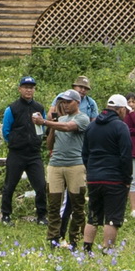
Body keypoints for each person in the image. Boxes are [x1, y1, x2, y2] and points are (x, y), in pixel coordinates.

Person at [78, 86, 135, 249]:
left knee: (93, 216)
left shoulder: (92, 126)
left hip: (94, 178)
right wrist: (127, 179)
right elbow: (126, 155)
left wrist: (91, 171)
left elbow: (85, 153)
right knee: (112, 218)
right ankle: (107, 250)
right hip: (114, 179)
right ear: (121, 109)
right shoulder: (120, 127)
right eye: (126, 110)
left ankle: (87, 249)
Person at [41, 87, 92, 245]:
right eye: (63, 102)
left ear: (77, 102)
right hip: (56, 164)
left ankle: (74, 238)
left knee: (77, 204)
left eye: (69, 102)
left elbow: (69, 127)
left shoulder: (82, 118)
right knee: (54, 203)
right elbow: (50, 145)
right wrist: (51, 128)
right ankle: (53, 238)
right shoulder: (59, 121)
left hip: (75, 165)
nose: (66, 105)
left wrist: (44, 121)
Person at [0, 75, 47, 223]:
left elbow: (42, 127)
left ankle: (42, 216)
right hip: (17, 153)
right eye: (25, 87)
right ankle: (5, 215)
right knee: (10, 185)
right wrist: (14, 142)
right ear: (20, 89)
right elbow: (6, 131)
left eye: (31, 88)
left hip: (34, 154)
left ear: (34, 90)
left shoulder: (39, 108)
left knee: (41, 186)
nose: (28, 90)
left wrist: (37, 140)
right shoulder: (12, 109)